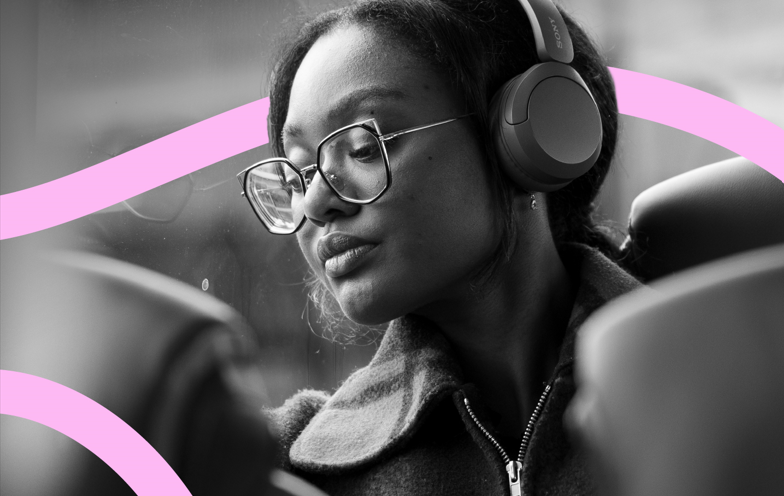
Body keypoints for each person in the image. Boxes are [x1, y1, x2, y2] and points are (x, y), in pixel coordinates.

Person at [236, 0, 642, 494]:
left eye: (365, 147)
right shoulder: (284, 467)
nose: (317, 202)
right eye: (300, 172)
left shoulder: (724, 368)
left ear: (530, 141)